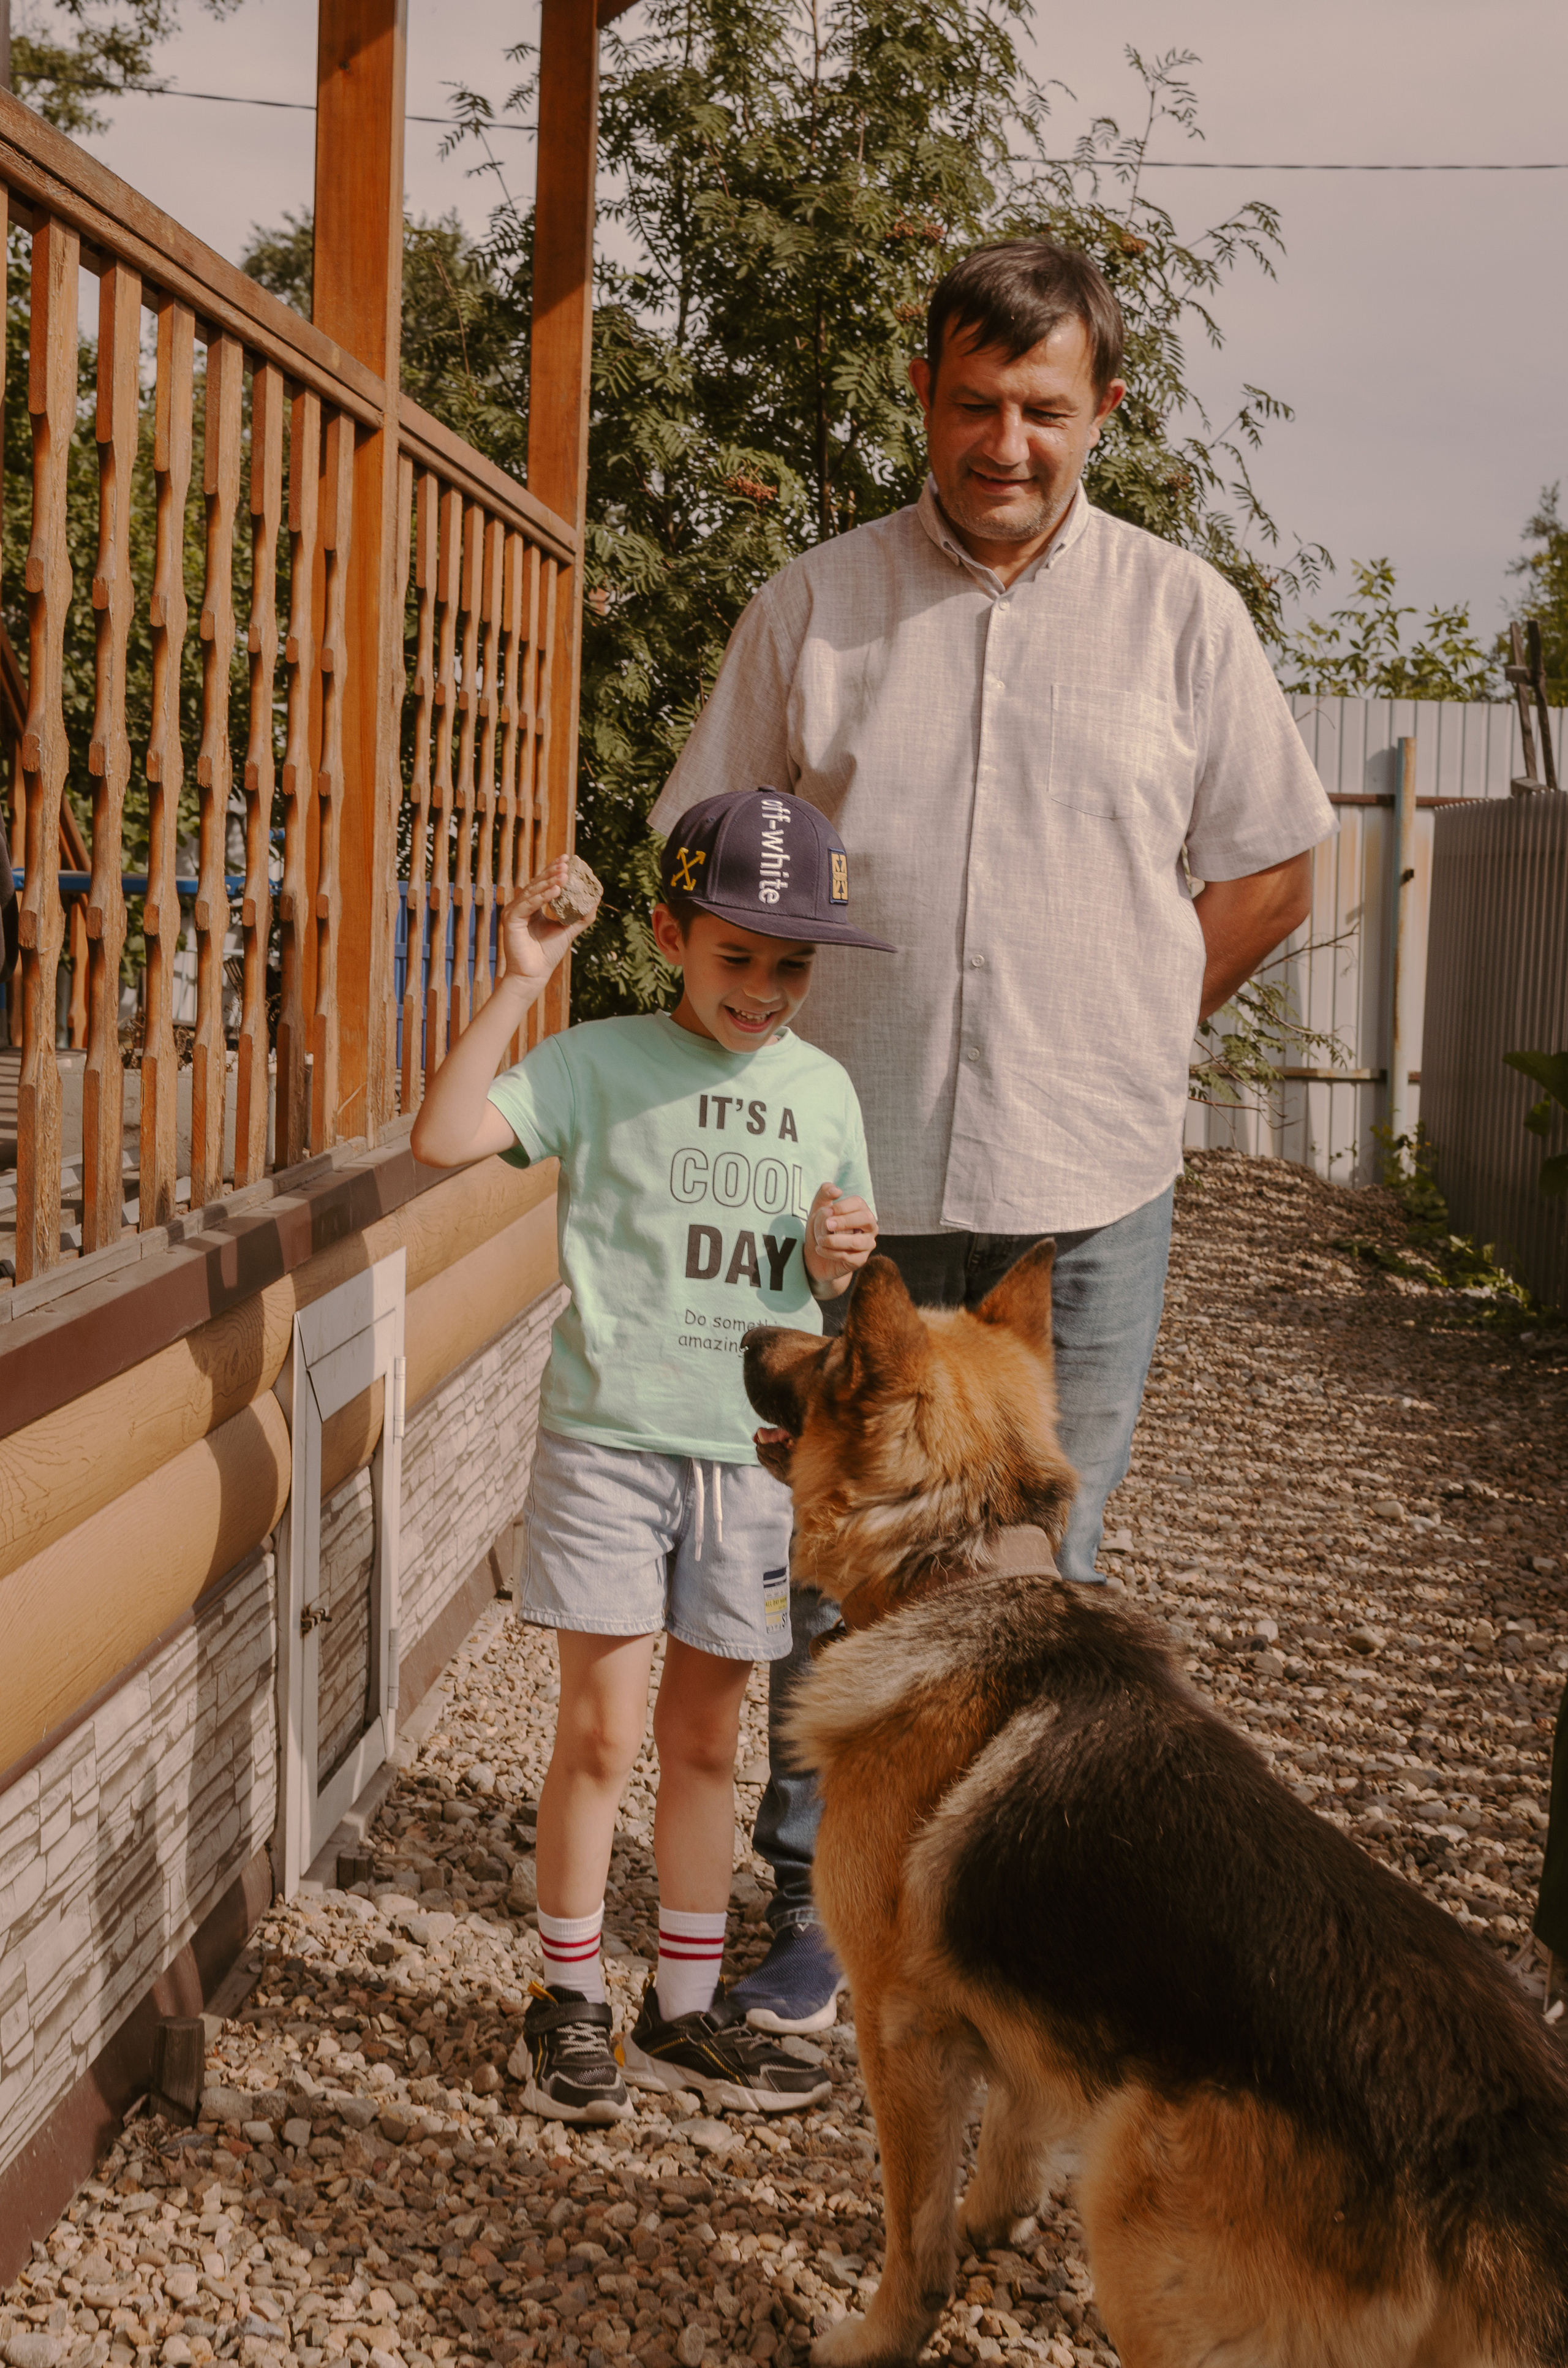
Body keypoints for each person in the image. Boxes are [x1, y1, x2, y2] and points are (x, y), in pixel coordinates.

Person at [649, 236, 1337, 2038]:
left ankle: (1020, 1920)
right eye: (973, 403)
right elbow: (712, 839)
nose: (1005, 441)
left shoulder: (1184, 615)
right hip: (847, 1184)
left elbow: (1273, 859)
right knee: (844, 1547)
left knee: (1043, 1568)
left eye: (1043, 406)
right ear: (926, 399)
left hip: (1080, 1184)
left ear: (1103, 407)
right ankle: (821, 1909)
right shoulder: (817, 608)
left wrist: (1137, 1014)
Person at [410, 785, 887, 2122]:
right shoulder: (596, 1063)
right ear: (671, 935)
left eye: (790, 963)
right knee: (598, 1731)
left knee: (704, 1740)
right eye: (735, 955)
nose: (765, 988)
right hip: (610, 1448)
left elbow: (831, 1267)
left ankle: (682, 2014)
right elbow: (443, 1136)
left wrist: (841, 1259)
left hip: (749, 1457)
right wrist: (522, 978)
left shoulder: (823, 1090)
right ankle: (565, 2000)